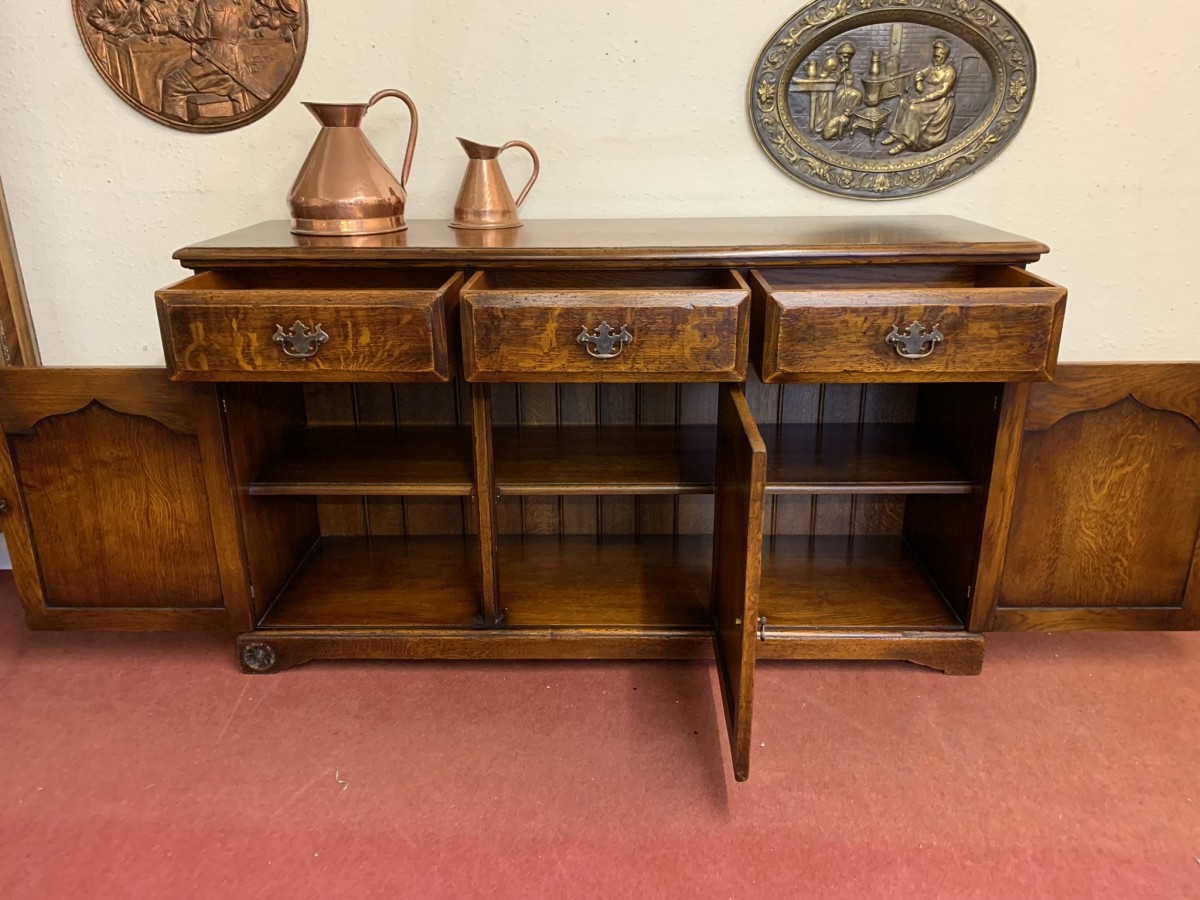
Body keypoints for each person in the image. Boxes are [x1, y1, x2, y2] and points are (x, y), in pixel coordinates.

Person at [160, 0, 253, 121]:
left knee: (172, 83)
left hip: (213, 59)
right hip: (235, 59)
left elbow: (198, 35)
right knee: (230, 83)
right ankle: (237, 98)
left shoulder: (206, 3)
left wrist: (174, 28)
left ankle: (175, 122)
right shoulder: (236, 4)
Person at [882, 39, 958, 155]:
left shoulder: (949, 71)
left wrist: (922, 99)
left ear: (944, 56)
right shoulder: (932, 66)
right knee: (903, 102)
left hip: (939, 101)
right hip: (926, 94)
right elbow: (920, 73)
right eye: (934, 56)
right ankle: (896, 134)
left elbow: (943, 91)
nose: (935, 59)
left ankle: (906, 141)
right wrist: (919, 82)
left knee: (914, 108)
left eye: (938, 57)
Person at [819, 41, 865, 140]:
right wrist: (840, 72)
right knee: (854, 94)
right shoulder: (832, 62)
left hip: (841, 89)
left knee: (857, 95)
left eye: (849, 57)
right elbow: (824, 79)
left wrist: (848, 74)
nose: (846, 59)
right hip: (830, 90)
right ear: (839, 55)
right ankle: (837, 120)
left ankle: (849, 120)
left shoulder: (846, 64)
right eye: (844, 56)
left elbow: (849, 83)